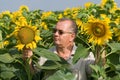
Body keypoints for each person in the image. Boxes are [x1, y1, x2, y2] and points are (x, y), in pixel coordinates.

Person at [23, 18, 95, 80]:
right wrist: (28, 61)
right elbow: (35, 76)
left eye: (60, 32)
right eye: (54, 31)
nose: (56, 34)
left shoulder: (84, 55)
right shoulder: (46, 55)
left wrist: (100, 51)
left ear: (72, 36)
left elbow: (96, 72)